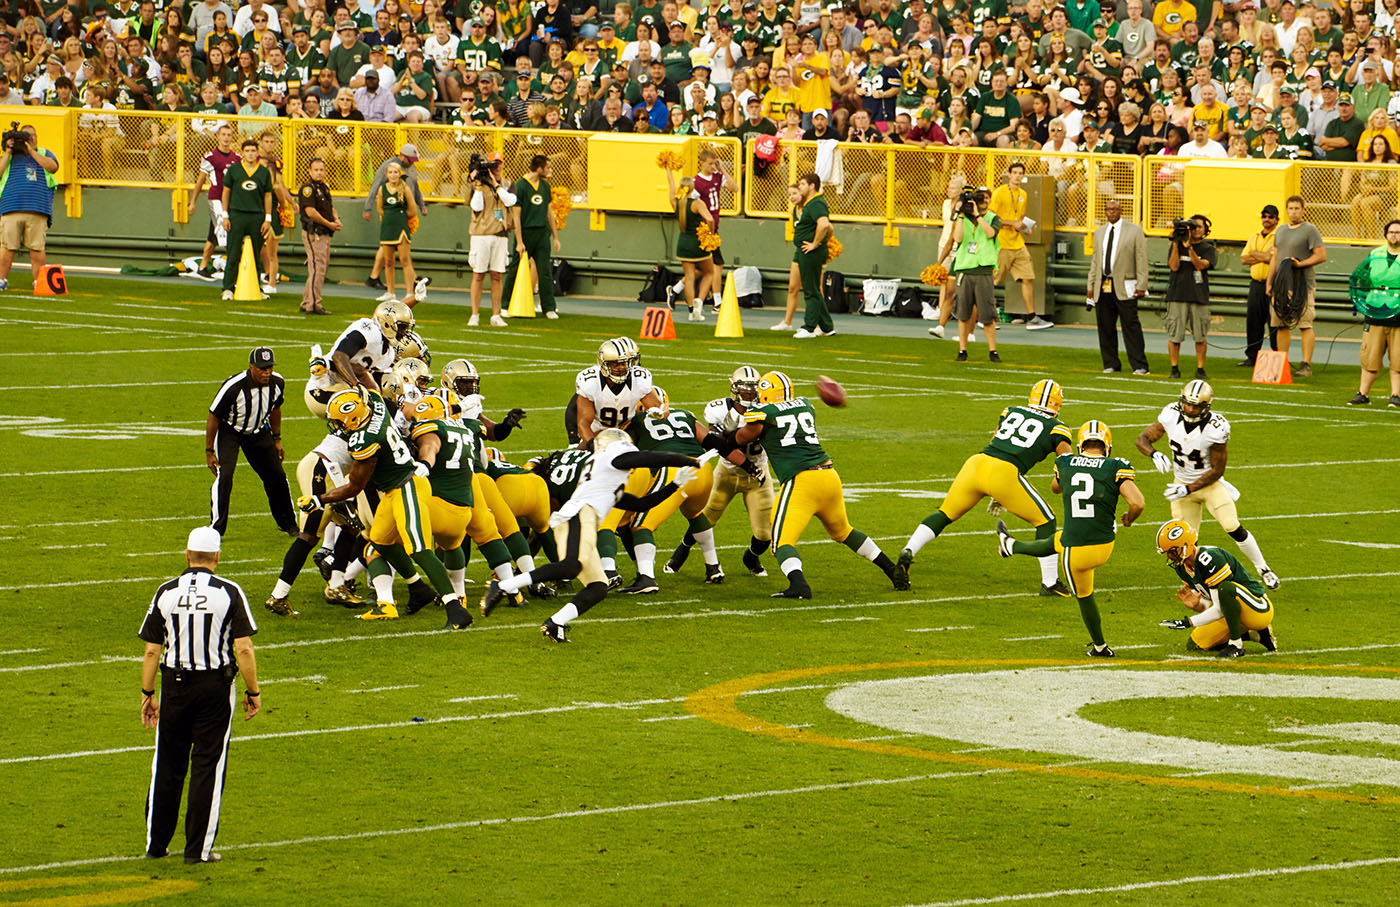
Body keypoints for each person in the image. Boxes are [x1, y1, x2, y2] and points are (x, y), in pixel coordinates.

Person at [479, 429, 701, 642]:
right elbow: (642, 457)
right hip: (579, 514)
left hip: (583, 517)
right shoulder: (611, 457)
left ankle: (556, 622)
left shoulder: (607, 476)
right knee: (571, 566)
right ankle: (504, 585)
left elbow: (642, 504)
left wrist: (675, 484)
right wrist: (685, 460)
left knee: (598, 587)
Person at [722, 371, 905, 599]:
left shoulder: (763, 413)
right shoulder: (806, 405)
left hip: (802, 482)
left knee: (781, 542)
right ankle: (892, 570)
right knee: (844, 531)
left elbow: (741, 437)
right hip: (829, 477)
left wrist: (722, 438)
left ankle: (799, 586)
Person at [139, 526, 260, 865]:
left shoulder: (166, 591)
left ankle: (157, 844)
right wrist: (254, 691)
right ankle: (197, 851)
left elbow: (152, 651)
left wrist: (148, 693)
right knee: (208, 765)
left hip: (174, 686)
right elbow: (245, 649)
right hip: (214, 687)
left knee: (167, 764)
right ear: (217, 558)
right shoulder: (229, 591)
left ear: (187, 555)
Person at [305, 387, 469, 624]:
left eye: (341, 422)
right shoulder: (375, 405)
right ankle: (416, 589)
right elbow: (368, 390)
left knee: (420, 550)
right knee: (379, 542)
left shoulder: (366, 440)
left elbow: (354, 486)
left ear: (353, 418)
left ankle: (455, 608)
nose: (339, 427)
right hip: (393, 490)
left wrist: (320, 499)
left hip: (408, 487)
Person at [895, 379, 1072, 596]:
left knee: (944, 514)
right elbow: (1068, 463)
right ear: (1058, 404)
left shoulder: (1011, 411)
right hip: (1004, 473)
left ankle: (909, 550)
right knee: (1046, 521)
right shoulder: (1058, 428)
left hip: (977, 463)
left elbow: (996, 440)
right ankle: (1050, 583)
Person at [995, 420, 1145, 657]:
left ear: (1080, 444)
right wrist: (1129, 517)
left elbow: (1055, 488)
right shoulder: (1117, 466)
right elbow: (1137, 503)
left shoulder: (1065, 462)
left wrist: (1070, 475)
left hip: (1077, 551)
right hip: (1105, 544)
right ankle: (1010, 546)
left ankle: (1100, 647)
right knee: (1058, 539)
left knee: (1084, 597)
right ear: (1107, 445)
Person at [1134, 379, 1280, 590]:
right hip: (1181, 486)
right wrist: (1153, 453)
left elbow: (1217, 469)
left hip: (1208, 485)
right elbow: (1143, 438)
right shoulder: (1171, 414)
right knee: (1183, 543)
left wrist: (1188, 488)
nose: (1191, 409)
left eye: (1196, 406)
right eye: (1188, 404)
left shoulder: (1216, 427)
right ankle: (1196, 586)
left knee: (1232, 526)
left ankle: (1263, 569)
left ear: (1206, 407)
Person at [666, 366, 774, 579]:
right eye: (745, 389)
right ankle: (681, 551)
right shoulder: (718, 410)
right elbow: (719, 444)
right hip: (727, 473)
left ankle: (751, 557)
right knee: (705, 517)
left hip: (758, 475)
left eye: (753, 389)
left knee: (764, 534)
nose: (750, 393)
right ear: (734, 389)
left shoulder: (769, 408)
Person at [1154, 519, 1278, 658]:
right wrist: (1197, 606)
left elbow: (1220, 607)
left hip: (1257, 609)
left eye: (1172, 551)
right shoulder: (1183, 568)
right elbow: (1209, 603)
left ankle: (1236, 645)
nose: (1169, 556)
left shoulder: (1210, 559)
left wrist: (1189, 622)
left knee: (1225, 588)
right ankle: (1258, 635)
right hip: (1232, 612)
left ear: (1185, 546)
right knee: (1196, 644)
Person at [206, 347, 295, 536]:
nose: (267, 372)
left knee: (277, 476)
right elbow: (214, 416)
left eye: (269, 367)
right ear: (251, 367)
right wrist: (209, 451)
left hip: (258, 432)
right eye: (262, 368)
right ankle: (216, 529)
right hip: (230, 432)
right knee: (225, 476)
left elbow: (276, 409)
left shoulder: (278, 383)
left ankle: (288, 523)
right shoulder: (234, 386)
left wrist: (277, 439)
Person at [1086, 199, 1150, 374]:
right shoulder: (1099, 232)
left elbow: (1141, 259)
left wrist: (1142, 284)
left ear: (1121, 210)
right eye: (1108, 209)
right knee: (1105, 326)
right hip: (1104, 283)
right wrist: (1091, 285)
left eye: (1115, 209)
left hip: (1126, 283)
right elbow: (1095, 261)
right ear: (1105, 212)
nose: (1112, 212)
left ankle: (1139, 364)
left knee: (1131, 325)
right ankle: (1110, 363)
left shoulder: (1134, 231)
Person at [1267, 195, 1326, 379]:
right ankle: (1281, 363)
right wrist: (1270, 282)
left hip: (1303, 285)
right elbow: (1275, 257)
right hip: (1282, 285)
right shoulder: (1281, 230)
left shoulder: (1310, 230)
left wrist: (1300, 264)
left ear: (1303, 210)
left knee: (1305, 324)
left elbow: (1321, 255)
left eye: (1296, 208)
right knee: (1280, 324)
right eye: (1290, 208)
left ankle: (1306, 364)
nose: (1293, 212)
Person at [989, 161, 1049, 329]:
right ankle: (986, 317)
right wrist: (1012, 224)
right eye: (1014, 173)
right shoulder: (999, 193)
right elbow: (991, 218)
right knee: (993, 280)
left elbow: (1019, 218)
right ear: (1009, 174)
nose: (1017, 176)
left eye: (1020, 173)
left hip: (1018, 243)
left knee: (1028, 278)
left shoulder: (1023, 194)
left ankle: (1032, 317)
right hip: (1002, 243)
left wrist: (1024, 228)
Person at [363, 145, 427, 300]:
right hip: (389, 220)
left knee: (404, 256)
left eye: (395, 173)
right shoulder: (386, 169)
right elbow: (376, 188)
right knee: (388, 254)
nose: (412, 163)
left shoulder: (408, 178)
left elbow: (416, 189)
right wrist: (368, 208)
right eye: (391, 173)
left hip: (403, 217)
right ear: (403, 156)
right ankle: (389, 285)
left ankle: (408, 287)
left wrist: (421, 206)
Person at [502, 154, 562, 319]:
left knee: (544, 270)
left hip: (542, 233)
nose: (550, 171)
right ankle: (505, 305)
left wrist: (555, 236)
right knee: (515, 268)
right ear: (539, 168)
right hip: (526, 232)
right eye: (548, 167)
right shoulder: (520, 186)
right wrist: (519, 241)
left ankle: (548, 307)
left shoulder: (544, 186)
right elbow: (516, 216)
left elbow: (549, 212)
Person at [0, 124, 58, 292]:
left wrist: (31, 151)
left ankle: (39, 281)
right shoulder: (9, 156)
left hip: (37, 208)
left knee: (37, 247)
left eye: (33, 135)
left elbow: (52, 167)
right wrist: (8, 151)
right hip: (11, 207)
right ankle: (2, 279)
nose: (30, 138)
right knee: (7, 246)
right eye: (27, 135)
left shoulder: (45, 153)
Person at [1348, 220, 1400, 408]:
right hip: (1375, 310)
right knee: (1369, 357)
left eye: (1398, 232)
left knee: (1398, 359)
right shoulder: (1375, 254)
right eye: (1391, 232)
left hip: (1398, 314)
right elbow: (1361, 278)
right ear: (1386, 235)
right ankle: (1363, 394)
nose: (1394, 235)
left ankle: (1396, 395)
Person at [951, 187, 1001, 363]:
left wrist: (978, 216)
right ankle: (962, 350)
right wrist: (961, 214)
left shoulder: (992, 217)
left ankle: (992, 351)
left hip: (983, 270)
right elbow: (957, 238)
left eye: (986, 198)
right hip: (965, 269)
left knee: (987, 314)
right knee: (963, 313)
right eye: (981, 198)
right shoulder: (963, 218)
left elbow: (990, 233)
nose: (983, 201)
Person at [219, 138, 272, 302]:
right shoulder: (234, 170)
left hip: (256, 215)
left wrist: (268, 218)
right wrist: (225, 215)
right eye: (247, 151)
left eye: (253, 151)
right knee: (233, 252)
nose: (250, 154)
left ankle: (257, 287)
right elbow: (226, 192)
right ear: (242, 152)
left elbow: (268, 195)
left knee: (256, 254)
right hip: (237, 215)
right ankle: (228, 287)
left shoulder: (263, 172)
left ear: (257, 152)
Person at [1165, 213, 1215, 380]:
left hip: (1198, 296)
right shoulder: (1177, 245)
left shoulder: (1208, 248)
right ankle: (1174, 368)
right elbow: (1173, 266)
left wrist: (1190, 248)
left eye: (1199, 227)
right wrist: (1176, 243)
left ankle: (1200, 368)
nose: (1195, 230)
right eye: (1193, 227)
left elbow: (1200, 266)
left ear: (1205, 230)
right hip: (1177, 294)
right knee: (1175, 335)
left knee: (1200, 336)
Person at [468, 152, 514, 327]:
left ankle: (496, 314)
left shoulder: (507, 184)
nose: (495, 167)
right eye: (492, 164)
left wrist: (496, 185)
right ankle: (475, 314)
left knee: (497, 275)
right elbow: (476, 206)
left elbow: (510, 201)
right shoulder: (477, 185)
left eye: (498, 163)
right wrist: (478, 185)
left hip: (500, 234)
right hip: (481, 234)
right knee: (478, 274)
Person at [187, 124, 238, 282]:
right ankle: (231, 267)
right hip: (216, 198)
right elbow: (201, 180)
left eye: (229, 135)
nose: (226, 138)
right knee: (224, 230)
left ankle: (202, 266)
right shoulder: (210, 156)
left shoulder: (237, 158)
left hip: (231, 200)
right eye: (223, 134)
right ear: (217, 136)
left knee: (213, 235)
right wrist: (193, 201)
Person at [666, 169, 716, 323]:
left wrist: (668, 170)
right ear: (693, 187)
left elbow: (671, 187)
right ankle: (699, 303)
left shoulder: (676, 203)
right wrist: (710, 234)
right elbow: (710, 219)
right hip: (698, 242)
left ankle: (690, 311)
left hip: (683, 244)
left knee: (689, 277)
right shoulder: (697, 203)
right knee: (709, 273)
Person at [792, 173, 834, 339]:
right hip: (807, 251)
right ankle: (826, 326)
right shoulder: (811, 203)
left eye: (802, 184)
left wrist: (815, 243)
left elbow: (824, 225)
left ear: (811, 186)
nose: (799, 187)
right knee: (814, 288)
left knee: (811, 290)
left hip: (811, 252)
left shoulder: (816, 203)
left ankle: (809, 327)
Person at [297, 156, 339, 316]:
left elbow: (330, 207)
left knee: (319, 267)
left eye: (322, 169)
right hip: (314, 232)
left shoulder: (324, 187)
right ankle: (314, 304)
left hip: (325, 232)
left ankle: (307, 300)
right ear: (310, 171)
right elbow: (311, 212)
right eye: (316, 170)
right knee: (317, 268)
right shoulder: (308, 189)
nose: (319, 173)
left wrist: (336, 220)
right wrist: (329, 224)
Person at [1239, 205, 1279, 367]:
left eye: (1270, 217)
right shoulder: (1253, 236)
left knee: (1274, 322)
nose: (1267, 220)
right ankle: (1252, 356)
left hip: (1274, 285)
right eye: (1264, 217)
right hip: (1256, 285)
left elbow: (1274, 258)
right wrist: (1263, 256)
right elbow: (1244, 259)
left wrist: (1255, 254)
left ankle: (1278, 356)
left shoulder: (1279, 236)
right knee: (1253, 321)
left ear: (1276, 220)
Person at [377, 161, 420, 308]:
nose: (393, 175)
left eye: (396, 172)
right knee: (388, 262)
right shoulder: (382, 189)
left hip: (401, 227)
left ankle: (409, 292)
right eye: (390, 172)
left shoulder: (405, 188)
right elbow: (380, 209)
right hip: (387, 228)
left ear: (399, 174)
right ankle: (390, 292)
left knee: (404, 260)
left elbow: (413, 210)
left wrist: (399, 217)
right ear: (386, 174)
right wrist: (389, 216)